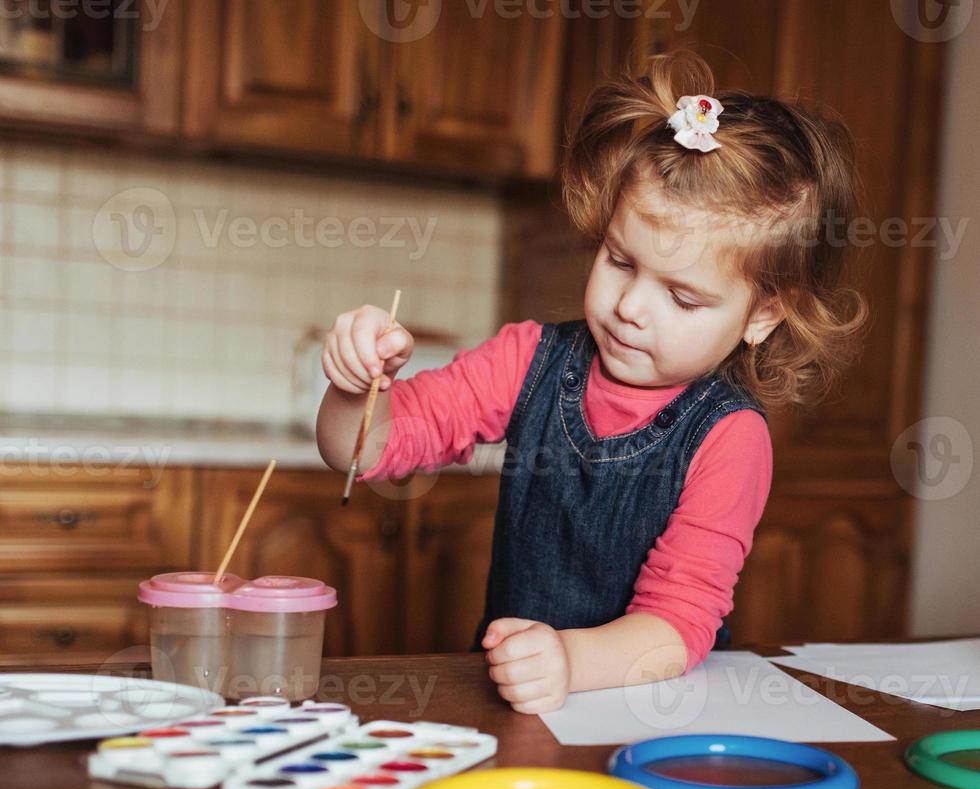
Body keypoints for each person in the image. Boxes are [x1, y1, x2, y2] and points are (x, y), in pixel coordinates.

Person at [316, 50, 867, 714]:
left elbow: (680, 625)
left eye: (683, 299)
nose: (631, 307)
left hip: (653, 709)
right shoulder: (528, 360)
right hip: (521, 703)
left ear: (764, 314)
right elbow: (365, 451)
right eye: (618, 260)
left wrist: (569, 661)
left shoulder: (730, 437)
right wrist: (358, 386)